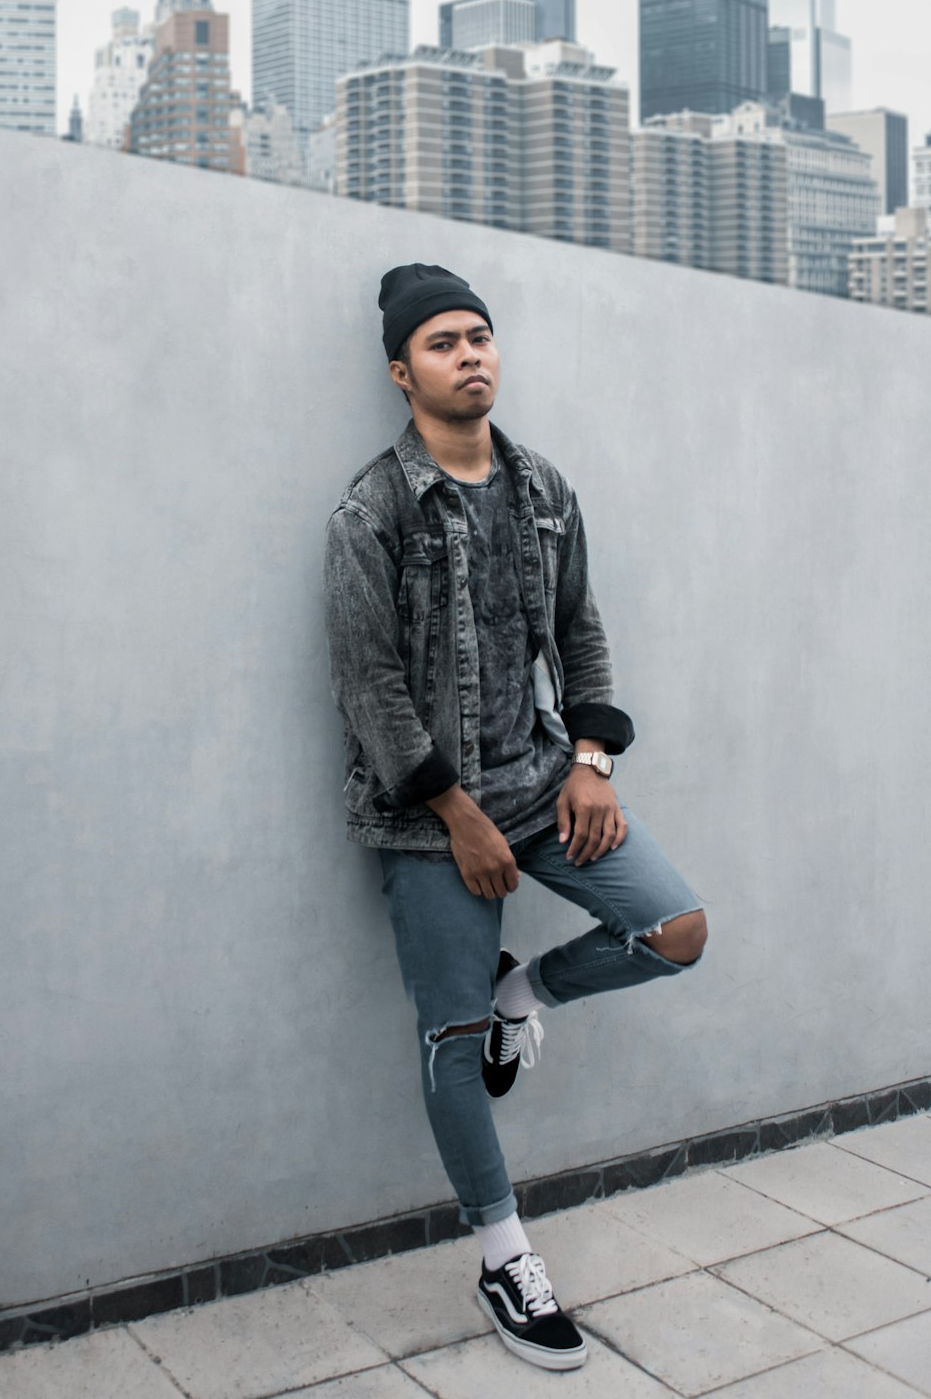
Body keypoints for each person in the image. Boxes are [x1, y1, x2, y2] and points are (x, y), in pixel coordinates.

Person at [323, 263, 707, 1372]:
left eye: (481, 335)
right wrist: (454, 814)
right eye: (443, 343)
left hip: (544, 782)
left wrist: (590, 758)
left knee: (674, 930)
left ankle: (520, 991)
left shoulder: (541, 486)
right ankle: (503, 1255)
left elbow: (580, 634)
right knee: (444, 1043)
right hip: (426, 816)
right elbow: (369, 686)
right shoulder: (372, 509)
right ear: (403, 374)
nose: (471, 355)